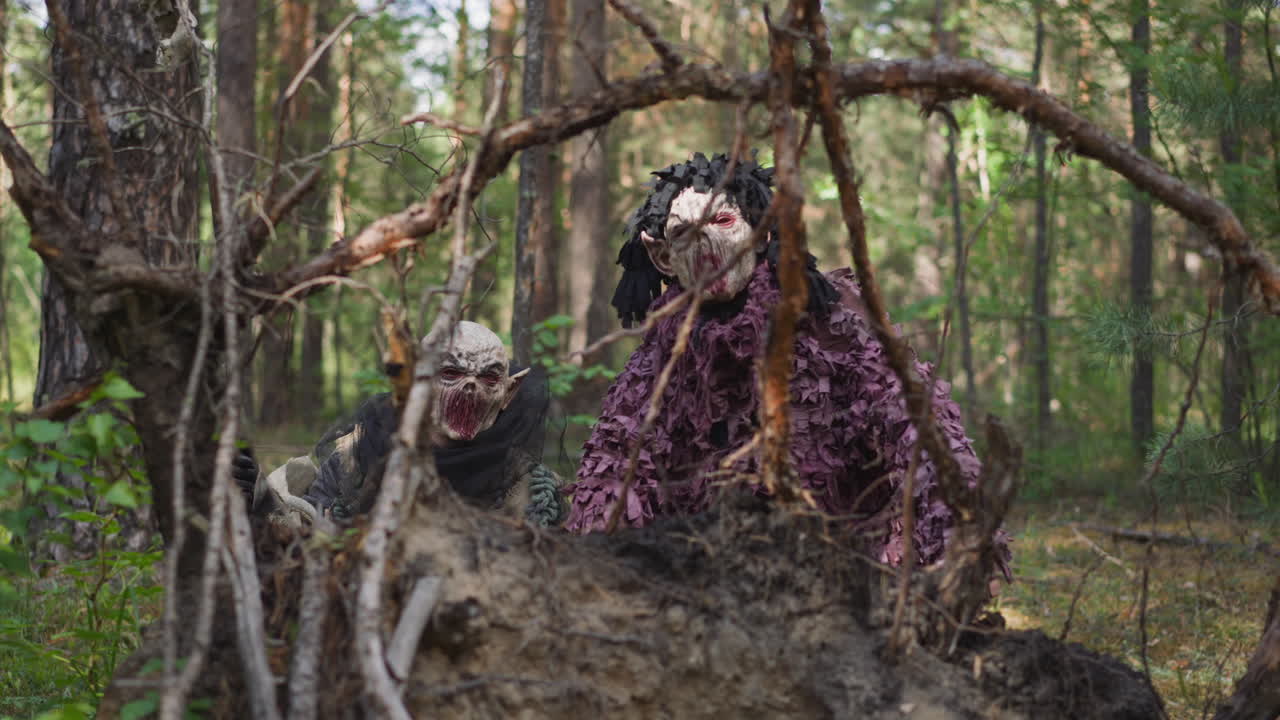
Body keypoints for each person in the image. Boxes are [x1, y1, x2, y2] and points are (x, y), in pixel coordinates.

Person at [566, 151, 1009, 575]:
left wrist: (959, 543)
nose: (708, 246)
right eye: (684, 234)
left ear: (761, 234)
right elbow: (614, 466)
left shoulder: (829, 317)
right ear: (663, 256)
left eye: (722, 221)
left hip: (842, 575)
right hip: (705, 587)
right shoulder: (659, 354)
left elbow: (918, 423)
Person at [235, 321, 565, 528]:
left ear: (508, 392)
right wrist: (260, 497)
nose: (471, 386)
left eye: (489, 377)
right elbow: (305, 528)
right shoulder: (359, 454)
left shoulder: (529, 485)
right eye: (450, 373)